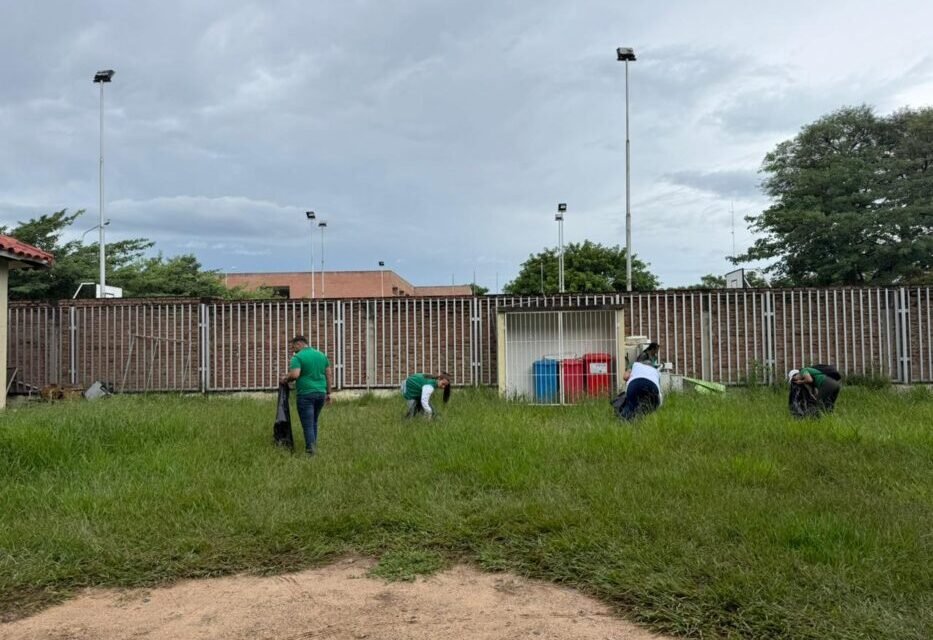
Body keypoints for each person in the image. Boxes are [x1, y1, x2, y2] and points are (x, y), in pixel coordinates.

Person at [281, 336, 331, 455]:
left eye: (293, 347)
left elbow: (295, 374)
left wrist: (285, 378)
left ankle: (311, 452)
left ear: (299, 344)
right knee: (313, 421)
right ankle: (313, 446)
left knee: (308, 424)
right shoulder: (321, 355)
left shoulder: (298, 357)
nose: (293, 350)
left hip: (306, 395)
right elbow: (328, 374)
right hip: (321, 393)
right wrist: (329, 393)